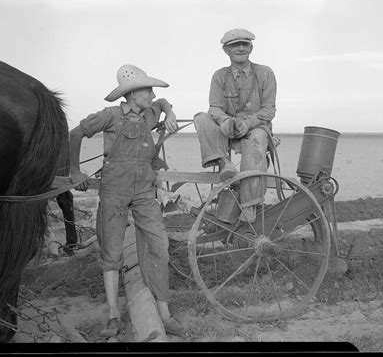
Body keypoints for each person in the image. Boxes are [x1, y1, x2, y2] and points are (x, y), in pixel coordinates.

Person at [69, 65, 184, 338]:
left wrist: (170, 113)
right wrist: (74, 170)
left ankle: (165, 316)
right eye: (148, 89)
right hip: (114, 192)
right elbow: (75, 134)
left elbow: (164, 101)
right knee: (112, 253)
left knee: (159, 246)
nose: (152, 94)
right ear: (133, 94)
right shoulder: (109, 116)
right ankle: (113, 317)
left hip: (145, 192)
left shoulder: (150, 112)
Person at [193, 28, 277, 223]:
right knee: (201, 118)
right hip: (228, 129)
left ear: (251, 47)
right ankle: (224, 163)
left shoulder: (265, 73)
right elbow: (214, 107)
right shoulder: (219, 76)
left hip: (255, 128)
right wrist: (225, 121)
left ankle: (249, 205)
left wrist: (248, 124)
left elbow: (269, 110)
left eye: (244, 44)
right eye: (234, 45)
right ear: (226, 51)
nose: (240, 48)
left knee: (257, 139)